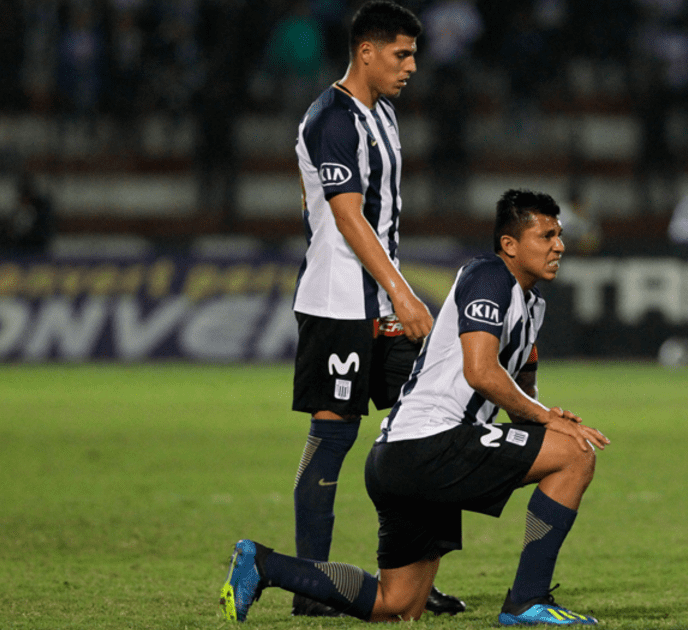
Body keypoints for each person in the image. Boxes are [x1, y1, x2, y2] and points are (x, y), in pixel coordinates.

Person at [220, 189, 609, 625]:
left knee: (397, 606)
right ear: (510, 245)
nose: (559, 245)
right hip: (429, 443)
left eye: (559, 235)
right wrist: (547, 422)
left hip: (400, 459)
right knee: (576, 457)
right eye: (547, 235)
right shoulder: (489, 276)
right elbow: (480, 372)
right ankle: (527, 601)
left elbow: (517, 400)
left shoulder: (531, 303)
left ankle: (264, 564)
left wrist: (548, 418)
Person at [286, 1, 460, 617]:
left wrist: (394, 295)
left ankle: (413, 576)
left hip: (380, 303)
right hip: (338, 307)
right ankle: (311, 589)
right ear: (366, 51)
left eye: (414, 53)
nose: (412, 65)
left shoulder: (380, 114)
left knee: (431, 429)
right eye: (402, 53)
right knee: (332, 440)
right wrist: (406, 294)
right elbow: (346, 216)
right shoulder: (333, 118)